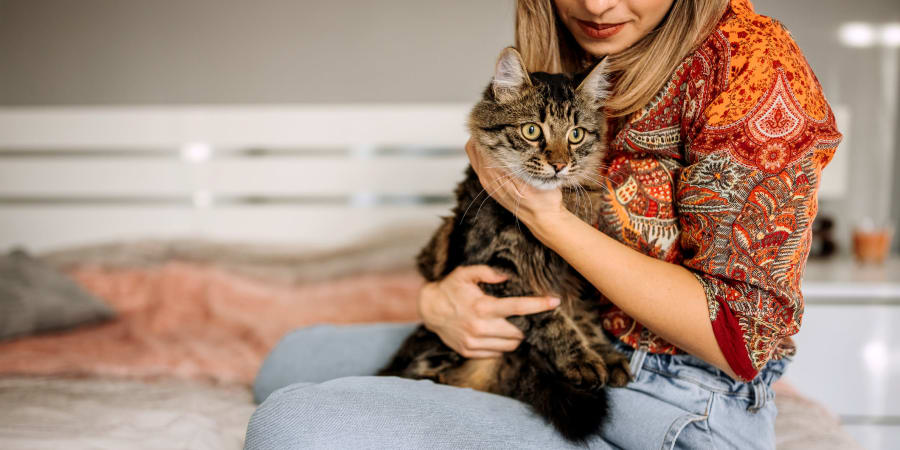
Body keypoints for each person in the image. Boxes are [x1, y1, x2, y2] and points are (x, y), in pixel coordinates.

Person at [244, 0, 842, 448]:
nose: (597, 5)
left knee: (292, 423)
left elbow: (742, 339)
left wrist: (546, 217)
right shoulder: (581, 47)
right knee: (289, 358)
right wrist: (441, 304)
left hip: (667, 400)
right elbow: (484, 237)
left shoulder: (754, 69)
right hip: (549, 335)